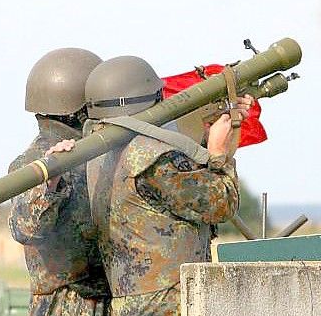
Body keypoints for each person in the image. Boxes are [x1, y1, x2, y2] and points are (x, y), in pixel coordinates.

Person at [83, 55, 249, 316]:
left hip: (130, 302)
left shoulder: (98, 156)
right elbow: (221, 203)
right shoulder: (155, 160)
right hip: (170, 303)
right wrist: (218, 152)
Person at [8, 47, 111, 316]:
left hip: (106, 297)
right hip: (69, 304)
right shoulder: (34, 161)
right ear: (80, 109)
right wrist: (50, 182)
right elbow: (25, 229)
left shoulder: (94, 151)